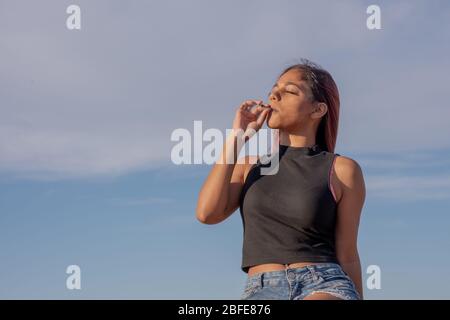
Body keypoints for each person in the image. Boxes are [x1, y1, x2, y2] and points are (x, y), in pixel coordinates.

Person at [196, 59, 366, 300]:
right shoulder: (249, 167)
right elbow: (207, 213)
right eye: (273, 90)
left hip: (323, 283)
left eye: (289, 91)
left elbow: (348, 254)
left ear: (317, 109)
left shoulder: (341, 170)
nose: (274, 95)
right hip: (261, 288)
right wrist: (237, 137)